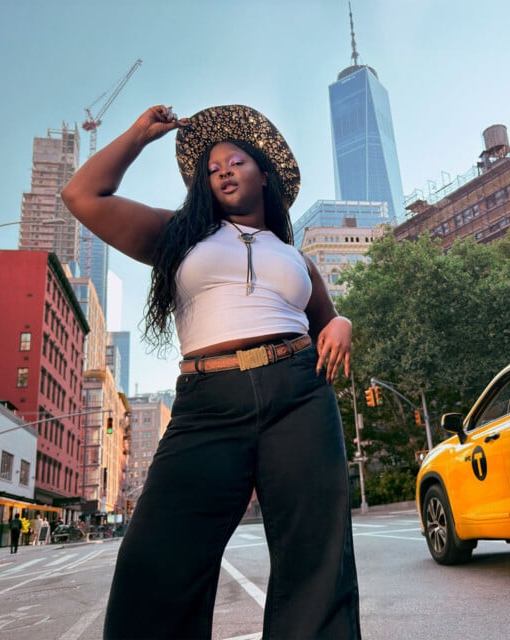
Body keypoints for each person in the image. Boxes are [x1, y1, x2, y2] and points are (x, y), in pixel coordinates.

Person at [61, 104, 361, 640]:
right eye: (212, 166)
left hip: (298, 392)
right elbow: (82, 196)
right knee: (157, 557)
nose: (222, 169)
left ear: (263, 174)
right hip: (207, 399)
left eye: (236, 160)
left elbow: (325, 319)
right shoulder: (179, 236)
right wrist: (136, 136)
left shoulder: (297, 257)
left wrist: (342, 321)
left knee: (316, 552)